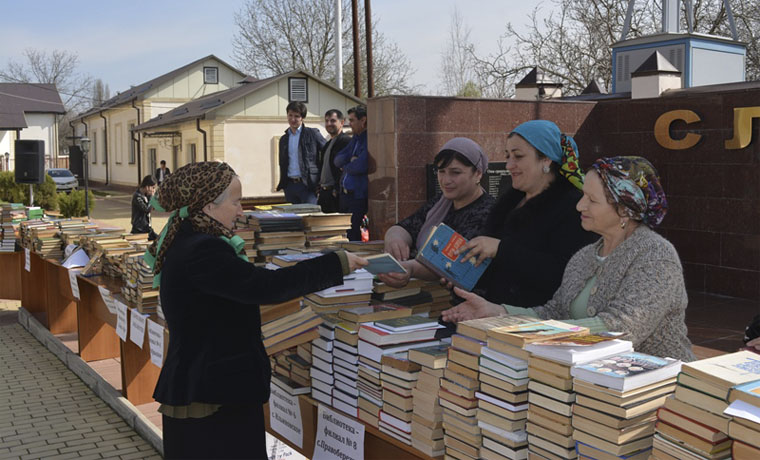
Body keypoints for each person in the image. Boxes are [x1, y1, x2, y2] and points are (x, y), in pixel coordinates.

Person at [146, 162, 367, 459]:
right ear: (209, 205)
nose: (241, 211)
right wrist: (335, 264)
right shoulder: (203, 250)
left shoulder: (190, 240)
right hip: (213, 396)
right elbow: (265, 287)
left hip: (208, 387)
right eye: (236, 202)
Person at [442, 156, 696, 362]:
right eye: (583, 195)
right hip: (592, 382)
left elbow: (621, 328)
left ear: (624, 210)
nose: (579, 206)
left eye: (592, 200)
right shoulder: (584, 256)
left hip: (656, 388)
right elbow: (555, 311)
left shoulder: (655, 256)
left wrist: (546, 332)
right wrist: (497, 312)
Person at [461, 120, 597, 307]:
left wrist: (501, 249)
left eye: (518, 156)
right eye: (507, 156)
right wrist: (462, 274)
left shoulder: (573, 207)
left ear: (546, 159)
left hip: (538, 317)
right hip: (496, 312)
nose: (509, 165)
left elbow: (565, 274)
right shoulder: (509, 203)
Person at [379, 137, 495, 288]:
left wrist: (411, 268)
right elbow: (408, 226)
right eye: (441, 171)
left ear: (478, 174)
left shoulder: (488, 212)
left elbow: (453, 262)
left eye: (455, 172)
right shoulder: (441, 203)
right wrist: (394, 238)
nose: (446, 180)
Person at [276, 101, 326, 204]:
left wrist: (320, 180)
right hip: (289, 186)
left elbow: (327, 152)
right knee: (293, 214)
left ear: (302, 118)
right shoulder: (284, 139)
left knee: (310, 213)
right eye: (290, 115)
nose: (292, 119)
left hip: (308, 185)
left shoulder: (312, 134)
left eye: (296, 116)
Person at [334, 105, 369, 241]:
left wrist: (346, 166)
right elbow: (337, 159)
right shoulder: (355, 139)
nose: (350, 124)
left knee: (353, 231)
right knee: (344, 232)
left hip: (358, 195)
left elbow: (361, 165)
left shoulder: (368, 139)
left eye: (352, 120)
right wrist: (350, 161)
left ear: (363, 120)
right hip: (345, 194)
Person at [317, 109, 351, 213]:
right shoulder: (327, 145)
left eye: (332, 121)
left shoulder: (346, 141)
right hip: (324, 193)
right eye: (326, 121)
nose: (329, 124)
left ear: (342, 122)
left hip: (336, 194)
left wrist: (337, 189)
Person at [131, 175, 157, 240]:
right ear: (147, 187)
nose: (154, 190)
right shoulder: (137, 196)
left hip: (147, 227)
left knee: (159, 240)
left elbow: (153, 207)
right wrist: (151, 197)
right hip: (139, 228)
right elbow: (146, 209)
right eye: (153, 187)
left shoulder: (146, 195)